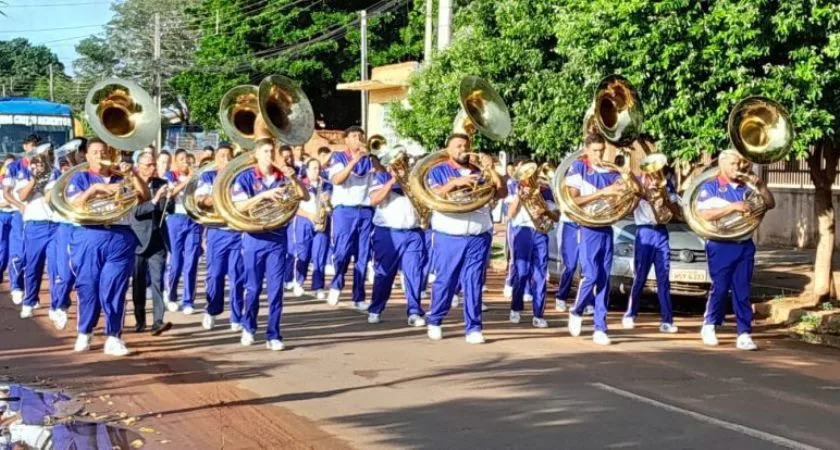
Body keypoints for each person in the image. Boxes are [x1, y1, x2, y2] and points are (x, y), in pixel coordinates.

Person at [65, 138, 148, 356]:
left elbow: (144, 197)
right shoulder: (80, 177)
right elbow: (74, 204)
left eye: (104, 151)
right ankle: (85, 330)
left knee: (114, 288)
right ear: (87, 156)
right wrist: (96, 189)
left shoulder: (122, 177)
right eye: (95, 151)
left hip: (120, 236)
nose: (101, 154)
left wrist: (135, 174)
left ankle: (114, 336)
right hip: (90, 235)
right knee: (88, 287)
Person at [424, 133, 507, 344]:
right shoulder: (438, 170)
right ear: (448, 149)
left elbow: (502, 193)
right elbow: (434, 196)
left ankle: (474, 327)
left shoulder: (479, 171)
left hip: (479, 233)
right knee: (446, 279)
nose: (463, 149)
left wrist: (492, 169)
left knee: (474, 281)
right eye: (458, 146)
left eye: (465, 145)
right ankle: (435, 319)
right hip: (450, 233)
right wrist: (456, 183)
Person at [231, 137, 309, 350]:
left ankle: (274, 334)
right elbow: (239, 206)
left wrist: (295, 179)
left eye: (271, 152)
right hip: (254, 238)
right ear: (256, 154)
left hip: (277, 239)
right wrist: (264, 195)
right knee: (253, 288)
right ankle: (249, 326)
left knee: (276, 290)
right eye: (265, 152)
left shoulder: (284, 177)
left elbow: (305, 196)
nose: (269, 156)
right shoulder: (246, 178)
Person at [696, 149, 774, 351]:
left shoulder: (747, 186)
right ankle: (710, 324)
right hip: (721, 244)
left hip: (744, 244)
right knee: (720, 288)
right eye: (733, 164)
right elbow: (704, 214)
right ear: (722, 164)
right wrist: (733, 207)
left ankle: (744, 332)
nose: (738, 168)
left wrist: (761, 187)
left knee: (742, 290)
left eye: (739, 164)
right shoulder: (711, 186)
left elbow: (769, 204)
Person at [566, 134, 639, 345]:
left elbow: (628, 199)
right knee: (590, 275)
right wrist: (603, 193)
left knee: (604, 278)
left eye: (601, 150)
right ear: (587, 150)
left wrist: (625, 183)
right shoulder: (578, 168)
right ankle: (577, 310)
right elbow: (574, 200)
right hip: (588, 227)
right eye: (595, 151)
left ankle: (600, 326)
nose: (599, 154)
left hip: (607, 227)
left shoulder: (610, 172)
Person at [366, 151, 427, 327]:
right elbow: (374, 200)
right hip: (388, 233)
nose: (402, 166)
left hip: (413, 232)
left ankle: (414, 311)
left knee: (414, 273)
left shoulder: (415, 180)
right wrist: (392, 181)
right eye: (398, 163)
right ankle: (375, 308)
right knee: (385, 274)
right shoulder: (380, 177)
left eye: (405, 162)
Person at [622, 159, 681, 334]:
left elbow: (677, 212)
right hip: (644, 231)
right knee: (640, 276)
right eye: (652, 170)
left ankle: (667, 320)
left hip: (661, 231)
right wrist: (640, 196)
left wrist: (666, 202)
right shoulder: (638, 183)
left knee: (664, 278)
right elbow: (628, 209)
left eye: (658, 170)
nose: (655, 174)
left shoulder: (666, 184)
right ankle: (630, 314)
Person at [326, 126, 379, 310]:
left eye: (360, 136)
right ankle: (336, 284)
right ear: (346, 140)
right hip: (344, 211)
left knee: (363, 254)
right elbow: (337, 180)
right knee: (342, 252)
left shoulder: (369, 160)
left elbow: (376, 183)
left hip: (365, 210)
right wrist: (354, 161)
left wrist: (375, 161)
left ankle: (359, 297)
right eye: (354, 136)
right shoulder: (338, 157)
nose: (358, 139)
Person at [194, 144, 244, 331]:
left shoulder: (239, 177)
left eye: (229, 156)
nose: (226, 159)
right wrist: (220, 196)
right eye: (222, 156)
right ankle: (211, 310)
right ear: (216, 158)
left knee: (237, 276)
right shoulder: (208, 176)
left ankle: (237, 316)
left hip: (237, 232)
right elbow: (201, 200)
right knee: (215, 275)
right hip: (217, 231)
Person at [505, 170, 559, 328]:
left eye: (532, 174)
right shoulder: (516, 188)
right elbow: (510, 214)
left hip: (541, 233)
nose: (530, 178)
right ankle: (516, 307)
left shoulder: (545, 191)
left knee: (540, 274)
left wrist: (546, 211)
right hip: (522, 231)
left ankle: (538, 314)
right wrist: (519, 198)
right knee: (521, 272)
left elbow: (557, 216)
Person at [130, 152, 174, 335]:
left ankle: (158, 321)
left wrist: (169, 198)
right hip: (138, 240)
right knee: (138, 283)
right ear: (138, 166)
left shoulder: (161, 183)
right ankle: (140, 320)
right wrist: (155, 200)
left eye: (153, 164)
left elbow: (168, 210)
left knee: (157, 282)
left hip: (158, 240)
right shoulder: (131, 183)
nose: (152, 168)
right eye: (148, 165)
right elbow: (136, 212)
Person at [17, 144, 61, 320]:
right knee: (33, 266)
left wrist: (47, 184)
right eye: (38, 160)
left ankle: (56, 305)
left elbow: (51, 199)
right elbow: (22, 196)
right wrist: (35, 180)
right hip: (35, 226)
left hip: (55, 225)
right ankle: (29, 301)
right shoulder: (26, 174)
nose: (41, 163)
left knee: (55, 268)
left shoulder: (57, 174)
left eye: (45, 159)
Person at [2, 134, 40, 304]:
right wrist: (20, 205)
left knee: (35, 255)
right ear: (25, 146)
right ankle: (16, 286)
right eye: (31, 146)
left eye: (37, 147)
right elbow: (7, 193)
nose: (34, 150)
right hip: (18, 214)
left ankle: (31, 291)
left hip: (39, 217)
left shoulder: (44, 167)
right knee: (17, 252)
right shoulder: (14, 167)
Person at [163, 148, 201, 314]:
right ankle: (171, 296)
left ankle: (188, 301)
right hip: (175, 219)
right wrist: (187, 181)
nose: (186, 162)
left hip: (193, 219)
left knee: (191, 261)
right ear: (175, 162)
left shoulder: (198, 176)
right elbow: (171, 194)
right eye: (182, 159)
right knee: (176, 262)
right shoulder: (170, 176)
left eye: (187, 159)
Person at [289, 158, 332, 300]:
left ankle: (318, 286)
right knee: (303, 254)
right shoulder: (299, 184)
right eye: (313, 168)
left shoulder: (327, 185)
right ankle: (299, 282)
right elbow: (292, 208)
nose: (317, 171)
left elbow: (332, 208)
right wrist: (308, 215)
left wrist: (328, 202)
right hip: (304, 221)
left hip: (321, 222)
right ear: (306, 170)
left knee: (319, 255)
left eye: (319, 168)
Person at [0, 154, 16, 286]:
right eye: (7, 165)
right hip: (1, 215)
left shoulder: (17, 179)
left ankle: (15, 282)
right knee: (2, 248)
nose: (9, 168)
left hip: (15, 215)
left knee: (15, 250)